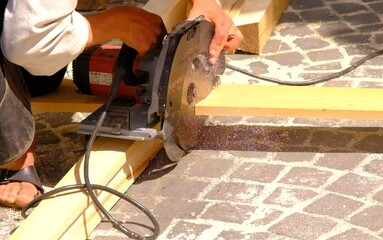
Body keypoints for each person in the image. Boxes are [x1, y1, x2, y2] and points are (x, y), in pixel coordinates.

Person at [0, 0, 243, 208]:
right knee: (33, 46)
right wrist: (114, 23)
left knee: (39, 76)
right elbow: (28, 40)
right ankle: (14, 154)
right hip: (24, 37)